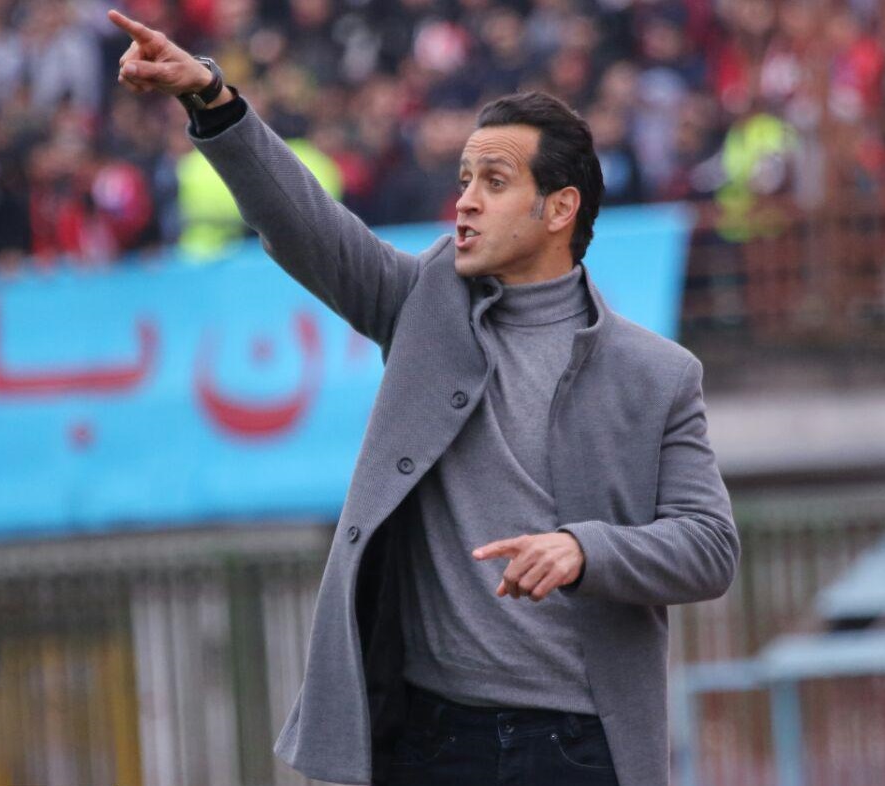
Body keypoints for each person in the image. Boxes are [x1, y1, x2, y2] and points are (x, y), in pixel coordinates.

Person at [109, 10, 740, 785]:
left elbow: (710, 548)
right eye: (464, 180)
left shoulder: (657, 372)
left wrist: (585, 550)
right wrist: (211, 98)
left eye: (494, 182)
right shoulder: (422, 308)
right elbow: (302, 223)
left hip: (579, 750)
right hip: (431, 742)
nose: (466, 200)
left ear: (560, 209)